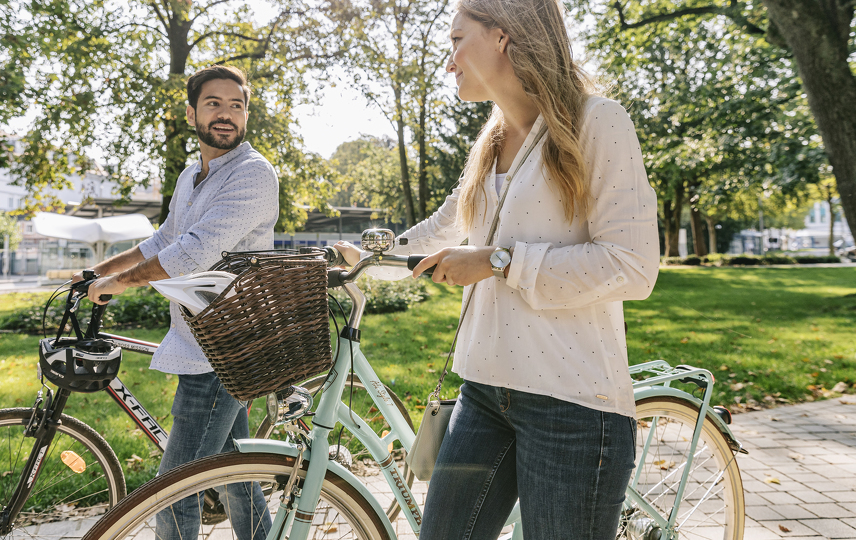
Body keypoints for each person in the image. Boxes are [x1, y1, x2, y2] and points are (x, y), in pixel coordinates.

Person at [337, 0, 659, 536]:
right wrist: (363, 258)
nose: (449, 61)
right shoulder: (491, 139)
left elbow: (632, 266)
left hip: (572, 405)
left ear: (503, 37)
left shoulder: (598, 122)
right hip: (484, 391)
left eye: (457, 40)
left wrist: (498, 262)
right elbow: (443, 230)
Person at [74, 64, 276, 540]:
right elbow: (164, 238)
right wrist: (100, 271)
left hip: (225, 349)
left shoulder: (253, 174)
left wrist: (121, 284)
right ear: (192, 112)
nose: (226, 114)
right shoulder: (191, 175)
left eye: (236, 105)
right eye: (214, 103)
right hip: (202, 338)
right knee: (236, 473)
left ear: (246, 115)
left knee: (173, 490)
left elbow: (191, 253)